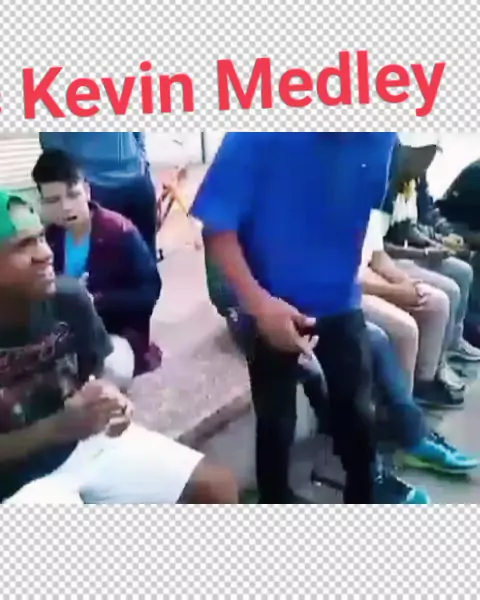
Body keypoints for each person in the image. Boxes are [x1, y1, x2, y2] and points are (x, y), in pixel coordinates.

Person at [192, 132, 398, 504]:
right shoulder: (256, 134)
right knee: (275, 419)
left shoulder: (382, 138)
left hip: (340, 300)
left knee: (358, 419)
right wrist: (259, 305)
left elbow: (360, 217)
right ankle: (275, 498)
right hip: (264, 300)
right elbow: (218, 230)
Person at [0, 189, 238, 504]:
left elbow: (94, 375)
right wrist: (54, 429)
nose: (44, 253)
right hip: (14, 482)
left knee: (216, 486)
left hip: (81, 444)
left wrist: (107, 396)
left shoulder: (67, 299)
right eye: (22, 245)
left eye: (41, 238)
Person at [205, 250, 478, 503]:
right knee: (312, 375)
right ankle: (334, 478)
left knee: (363, 343)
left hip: (307, 308)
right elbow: (225, 292)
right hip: (256, 318)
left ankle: (402, 438)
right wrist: (269, 314)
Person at [31, 150, 162, 376]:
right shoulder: (48, 239)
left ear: (87, 190)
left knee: (111, 370)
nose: (65, 207)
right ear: (42, 202)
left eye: (73, 195)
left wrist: (97, 299)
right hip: (67, 337)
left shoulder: (120, 232)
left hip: (115, 334)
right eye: (53, 200)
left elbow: (149, 292)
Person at [360, 208, 463, 410]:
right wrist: (394, 291)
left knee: (435, 302)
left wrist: (405, 283)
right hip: (348, 287)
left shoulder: (361, 205)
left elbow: (378, 257)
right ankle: (399, 414)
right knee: (404, 330)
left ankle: (422, 386)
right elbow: (343, 276)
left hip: (368, 274)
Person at [39, 133, 158, 259]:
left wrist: (144, 162)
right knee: (104, 260)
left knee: (147, 258)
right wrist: (73, 182)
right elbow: (52, 144)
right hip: (95, 185)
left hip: (137, 179)